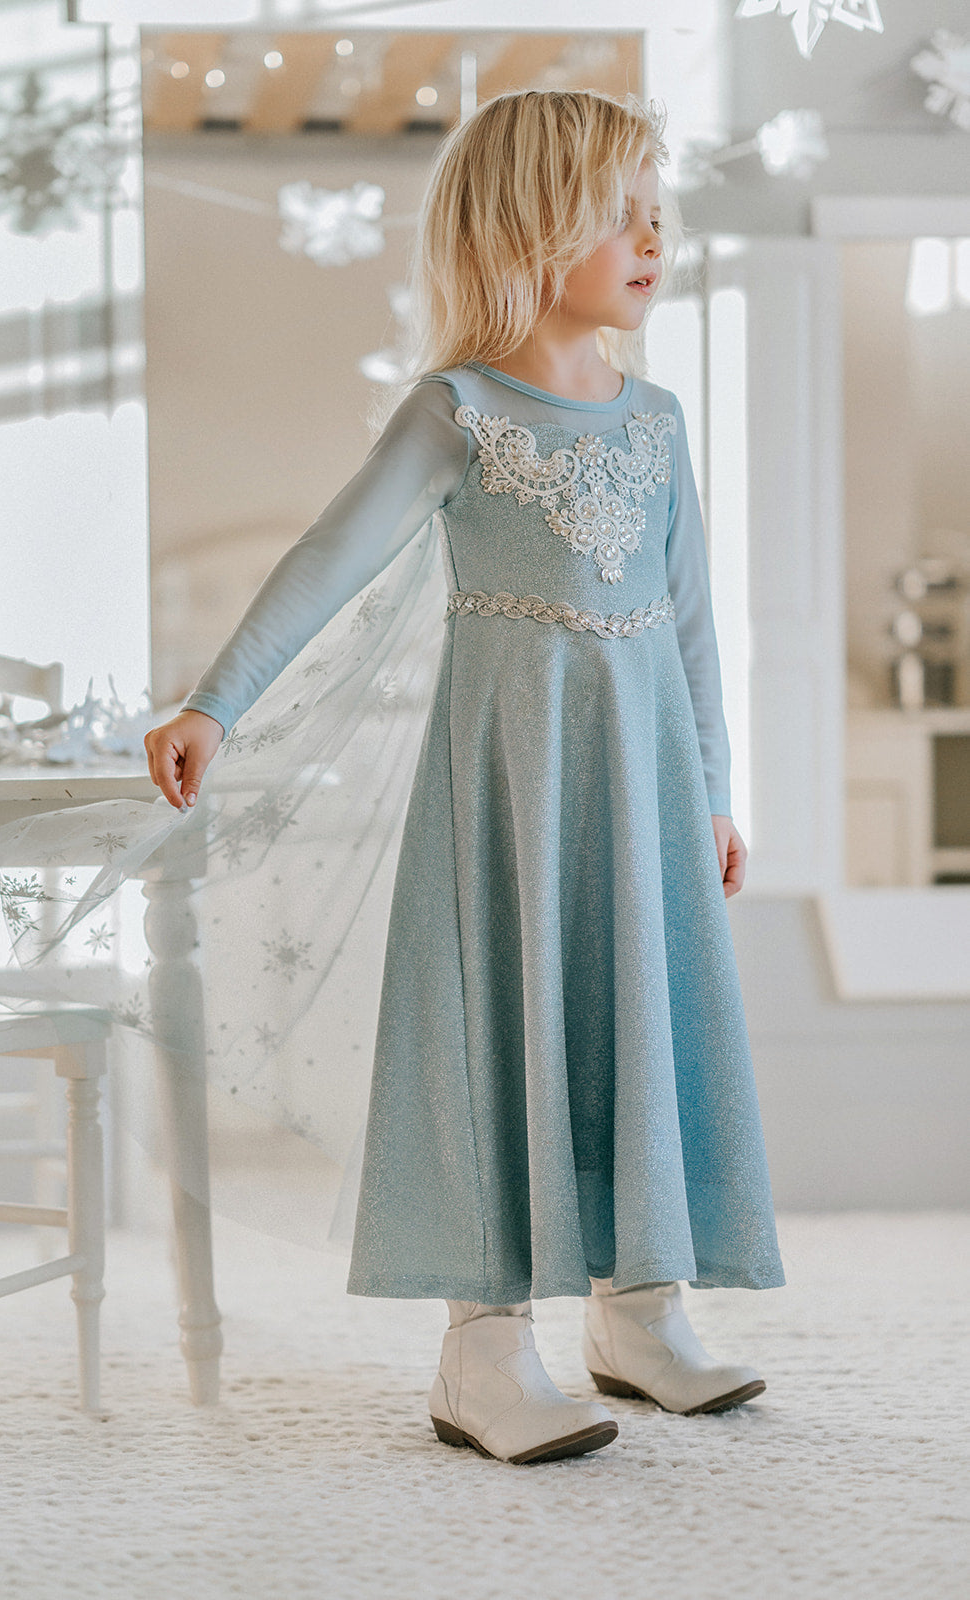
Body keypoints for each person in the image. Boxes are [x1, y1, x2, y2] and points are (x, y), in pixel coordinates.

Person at [143, 89, 786, 1467]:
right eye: (621, 215)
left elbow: (688, 628)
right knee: (502, 1030)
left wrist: (716, 789)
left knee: (640, 1023)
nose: (653, 235)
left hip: (645, 792)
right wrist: (217, 701)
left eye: (657, 211)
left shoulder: (658, 422)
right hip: (508, 790)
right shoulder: (459, 410)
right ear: (529, 229)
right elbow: (331, 554)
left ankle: (642, 1311)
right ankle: (481, 1346)